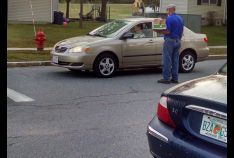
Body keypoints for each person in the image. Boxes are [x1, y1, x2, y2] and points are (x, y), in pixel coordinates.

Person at [154, 4, 184, 84]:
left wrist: (158, 31)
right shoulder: (180, 18)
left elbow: (167, 31)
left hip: (170, 40)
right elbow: (181, 31)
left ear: (170, 10)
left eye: (167, 10)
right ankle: (175, 78)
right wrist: (179, 38)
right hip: (178, 40)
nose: (167, 11)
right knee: (175, 60)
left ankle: (166, 78)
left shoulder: (169, 18)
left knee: (167, 60)